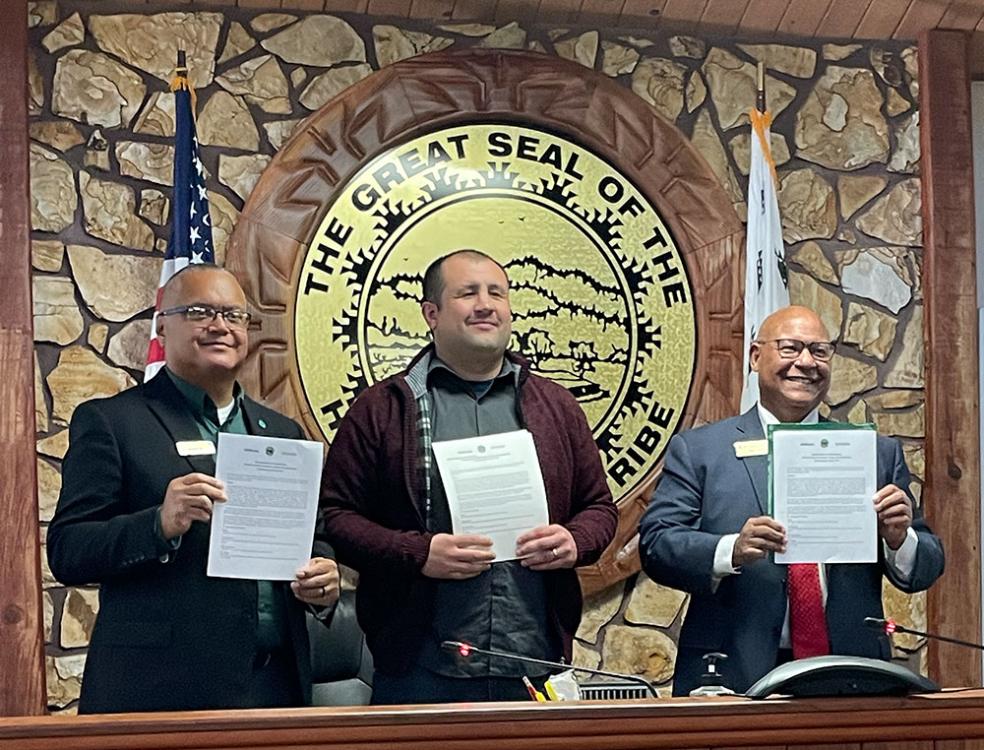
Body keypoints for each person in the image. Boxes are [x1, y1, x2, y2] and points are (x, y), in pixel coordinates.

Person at [319, 249, 618, 704]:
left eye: (497, 293)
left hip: (535, 666)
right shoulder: (383, 408)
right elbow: (336, 516)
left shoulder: (556, 406)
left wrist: (575, 540)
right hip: (419, 667)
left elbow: (599, 507)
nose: (486, 304)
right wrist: (417, 553)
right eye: (468, 293)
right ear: (431, 314)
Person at [47, 264, 340, 713]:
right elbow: (69, 550)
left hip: (275, 688)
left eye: (233, 315)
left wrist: (323, 575)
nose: (220, 326)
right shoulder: (112, 422)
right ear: (163, 324)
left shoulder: (283, 434)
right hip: (160, 693)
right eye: (201, 312)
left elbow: (313, 537)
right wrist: (158, 523)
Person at [638, 305, 944, 696]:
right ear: (755, 356)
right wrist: (731, 549)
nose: (806, 362)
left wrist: (899, 539)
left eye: (819, 351)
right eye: (789, 348)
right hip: (730, 677)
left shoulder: (874, 453)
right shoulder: (701, 451)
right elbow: (656, 545)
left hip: (850, 677)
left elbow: (927, 566)